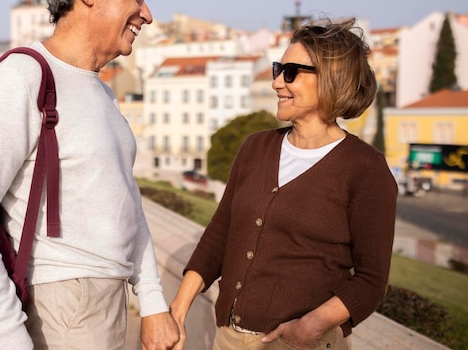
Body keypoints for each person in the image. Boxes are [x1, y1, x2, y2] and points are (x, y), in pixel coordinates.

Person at [0, 0, 179, 350]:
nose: (148, 14)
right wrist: (10, 337)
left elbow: (127, 203)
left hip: (104, 303)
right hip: (62, 309)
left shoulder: (100, 92)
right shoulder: (22, 77)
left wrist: (154, 302)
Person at [170, 18, 398, 350]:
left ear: (331, 79)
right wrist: (177, 310)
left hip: (301, 342)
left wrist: (311, 325)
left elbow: (371, 280)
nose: (277, 83)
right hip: (229, 337)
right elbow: (221, 234)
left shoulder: (365, 169)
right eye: (278, 69)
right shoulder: (256, 147)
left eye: (290, 72)